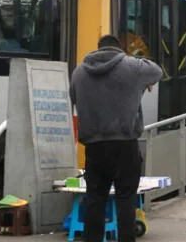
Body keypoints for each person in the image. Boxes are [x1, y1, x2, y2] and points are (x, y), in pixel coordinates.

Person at [69, 35, 163, 242]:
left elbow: (74, 98)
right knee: (126, 198)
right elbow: (157, 71)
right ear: (119, 49)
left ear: (97, 49)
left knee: (95, 198)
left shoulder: (79, 72)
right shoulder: (132, 66)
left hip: (94, 146)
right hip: (124, 145)